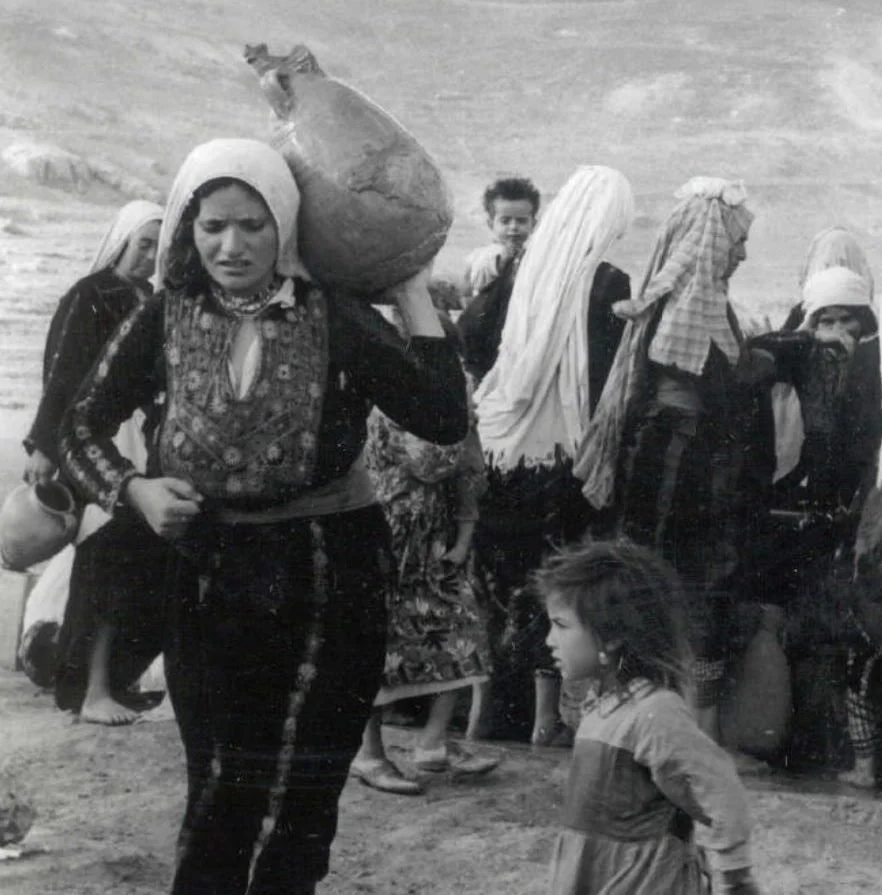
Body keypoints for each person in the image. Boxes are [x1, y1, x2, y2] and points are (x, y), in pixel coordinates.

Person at [57, 138, 468, 895]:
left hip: (332, 575)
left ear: (285, 224)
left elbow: (442, 417)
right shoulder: (162, 315)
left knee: (306, 795)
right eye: (213, 225)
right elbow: (76, 427)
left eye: (252, 224)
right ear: (189, 226)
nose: (231, 244)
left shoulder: (336, 317)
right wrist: (135, 490)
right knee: (219, 782)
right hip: (208, 576)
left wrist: (414, 298)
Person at [576, 177, 757, 747]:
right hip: (679, 465)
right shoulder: (690, 319)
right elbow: (720, 382)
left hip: (684, 460)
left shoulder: (699, 309)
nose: (744, 252)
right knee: (668, 586)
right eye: (737, 239)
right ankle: (651, 722)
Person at [470, 165, 634, 745]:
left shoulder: (519, 270)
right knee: (552, 585)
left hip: (502, 449)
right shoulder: (610, 284)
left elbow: (474, 339)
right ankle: (545, 723)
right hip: (563, 458)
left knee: (495, 589)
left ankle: (481, 721)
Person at [537, 540, 761, 895]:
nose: (549, 639)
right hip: (597, 873)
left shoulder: (655, 713)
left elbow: (719, 789)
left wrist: (734, 874)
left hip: (642, 882)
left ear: (611, 637)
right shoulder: (600, 707)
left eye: (561, 626)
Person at [21, 199, 169, 725]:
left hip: (138, 443)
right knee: (101, 561)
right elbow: (60, 373)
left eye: (158, 246)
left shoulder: (150, 297)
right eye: (143, 243)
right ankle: (90, 690)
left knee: (126, 563)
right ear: (122, 238)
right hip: (94, 443)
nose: (149, 256)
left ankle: (108, 683)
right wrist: (43, 446)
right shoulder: (87, 294)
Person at [744, 263, 881, 780]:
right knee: (780, 633)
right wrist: (804, 337)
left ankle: (816, 750)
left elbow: (862, 453)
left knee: (822, 639)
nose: (840, 333)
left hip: (831, 527)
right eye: (830, 319)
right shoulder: (793, 356)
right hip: (784, 520)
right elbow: (752, 359)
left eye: (850, 323)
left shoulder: (866, 375)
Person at [351, 327, 498, 793]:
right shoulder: (387, 402)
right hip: (388, 537)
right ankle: (368, 754)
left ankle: (433, 744)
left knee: (461, 628)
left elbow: (470, 475)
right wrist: (466, 427)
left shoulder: (439, 407)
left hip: (430, 538)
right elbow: (430, 463)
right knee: (381, 646)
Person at [461, 176, 540, 303]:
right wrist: (501, 261)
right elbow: (476, 281)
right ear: (490, 223)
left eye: (521, 221)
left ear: (533, 224)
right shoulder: (486, 255)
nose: (513, 227)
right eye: (505, 221)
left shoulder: (534, 254)